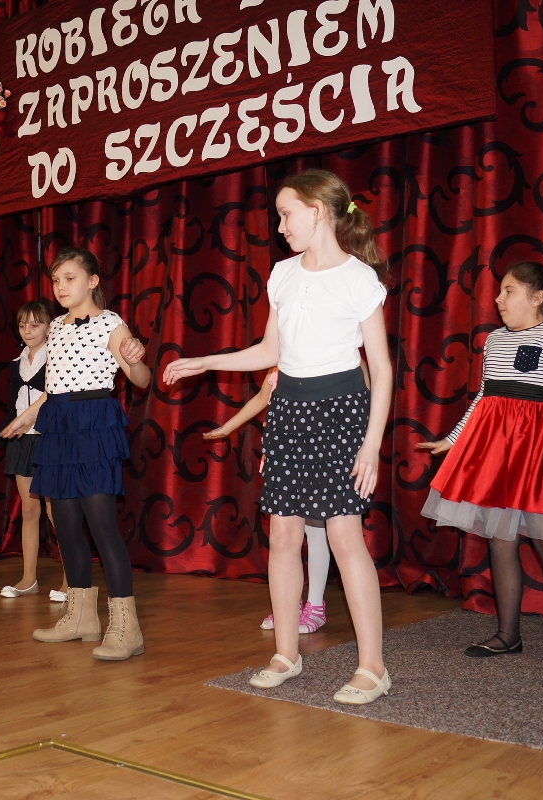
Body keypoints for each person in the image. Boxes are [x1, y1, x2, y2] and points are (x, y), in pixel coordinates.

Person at [165, 169, 394, 705]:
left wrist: (371, 444)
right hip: (289, 407)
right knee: (285, 535)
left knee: (344, 536)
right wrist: (205, 361)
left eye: (287, 214)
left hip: (340, 410)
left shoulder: (359, 278)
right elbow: (271, 351)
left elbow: (381, 369)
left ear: (317, 211)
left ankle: (373, 667)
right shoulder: (283, 274)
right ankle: (286, 654)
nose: (281, 225)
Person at [416, 260, 543, 673]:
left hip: (538, 455)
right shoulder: (495, 339)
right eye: (500, 291)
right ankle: (508, 635)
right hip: (498, 455)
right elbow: (484, 398)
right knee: (501, 541)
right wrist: (453, 439)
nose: (498, 299)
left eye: (508, 291)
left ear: (537, 298)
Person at [1, 247, 150, 661]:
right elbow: (54, 387)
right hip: (59, 425)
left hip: (94, 424)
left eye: (69, 278)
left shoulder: (110, 323)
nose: (61, 287)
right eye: (55, 280)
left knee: (101, 524)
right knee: (65, 525)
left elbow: (141, 378)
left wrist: (137, 361)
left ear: (92, 281)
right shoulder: (56, 328)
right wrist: (26, 417)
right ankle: (81, 617)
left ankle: (127, 628)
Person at [205, 366, 375, 634]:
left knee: (317, 532)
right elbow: (261, 399)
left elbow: (365, 399)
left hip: (322, 455)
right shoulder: (278, 367)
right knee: (285, 539)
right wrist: (228, 427)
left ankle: (315, 605)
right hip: (286, 456)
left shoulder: (344, 360)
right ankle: (288, 607)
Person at [0, 300, 68, 601]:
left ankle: (71, 581)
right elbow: (14, 411)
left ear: (50, 327)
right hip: (23, 442)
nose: (28, 330)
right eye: (23, 325)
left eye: (35, 324)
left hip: (50, 440)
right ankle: (28, 579)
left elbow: (60, 402)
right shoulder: (16, 363)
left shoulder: (59, 357)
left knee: (57, 512)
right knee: (29, 510)